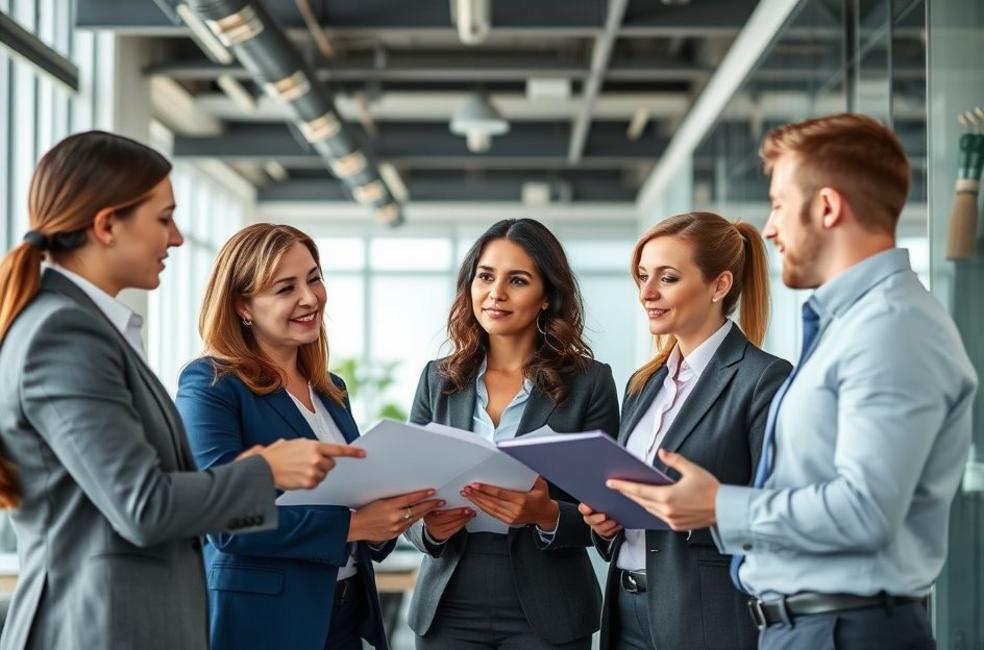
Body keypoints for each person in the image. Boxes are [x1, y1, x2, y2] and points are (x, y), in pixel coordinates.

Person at [608, 113, 978, 649]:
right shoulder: (850, 328)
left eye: (780, 203)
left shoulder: (891, 328)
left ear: (826, 207)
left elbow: (867, 510)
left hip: (843, 628)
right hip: (807, 625)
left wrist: (718, 506)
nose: (772, 227)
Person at [0, 131, 360, 650]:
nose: (177, 239)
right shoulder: (64, 333)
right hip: (92, 626)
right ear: (106, 226)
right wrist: (267, 470)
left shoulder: (87, 328)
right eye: (163, 218)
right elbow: (144, 506)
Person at [176, 223, 443, 650]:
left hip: (342, 617)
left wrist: (382, 525)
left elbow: (350, 498)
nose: (309, 297)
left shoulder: (330, 388)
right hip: (264, 623)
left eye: (314, 278)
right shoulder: (211, 383)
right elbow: (220, 516)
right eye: (285, 288)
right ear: (243, 306)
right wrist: (353, 526)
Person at [404, 218, 620, 650]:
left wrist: (547, 515)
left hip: (550, 602)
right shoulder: (438, 379)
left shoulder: (590, 383)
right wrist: (429, 528)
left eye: (517, 280)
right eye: (485, 276)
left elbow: (609, 515)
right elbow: (405, 494)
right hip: (449, 599)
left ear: (546, 297)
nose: (496, 293)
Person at [579, 212, 790, 650]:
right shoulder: (643, 384)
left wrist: (699, 514)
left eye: (667, 278)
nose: (647, 293)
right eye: (642, 277)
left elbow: (779, 517)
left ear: (720, 285)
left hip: (707, 616)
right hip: (625, 608)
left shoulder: (763, 379)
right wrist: (607, 524)